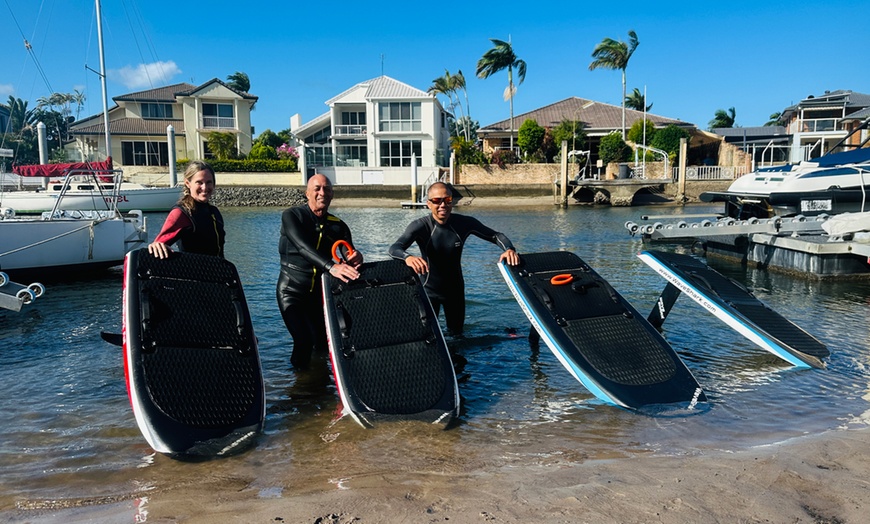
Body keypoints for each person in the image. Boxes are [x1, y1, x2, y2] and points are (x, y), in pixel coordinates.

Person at [389, 181, 519, 336]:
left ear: (452, 201)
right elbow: (394, 248)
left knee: (457, 336)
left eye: (447, 200)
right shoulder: (420, 226)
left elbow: (496, 235)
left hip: (455, 291)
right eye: (437, 201)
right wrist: (408, 257)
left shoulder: (463, 223)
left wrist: (509, 249)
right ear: (428, 204)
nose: (442, 205)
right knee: (428, 337)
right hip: (429, 290)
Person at [276, 174, 363, 368]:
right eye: (317, 188)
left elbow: (349, 254)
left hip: (319, 295)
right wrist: (331, 267)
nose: (322, 192)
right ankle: (299, 390)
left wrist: (357, 258)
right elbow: (302, 248)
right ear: (307, 193)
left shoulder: (338, 226)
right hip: (292, 291)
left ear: (332, 195)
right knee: (303, 341)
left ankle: (321, 389)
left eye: (327, 189)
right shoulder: (292, 216)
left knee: (323, 345)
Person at [148, 160, 225, 259]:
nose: (204, 187)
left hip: (218, 272)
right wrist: (156, 245)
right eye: (199, 182)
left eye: (209, 182)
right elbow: (160, 243)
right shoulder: (181, 213)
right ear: (188, 183)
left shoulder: (214, 212)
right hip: (193, 272)